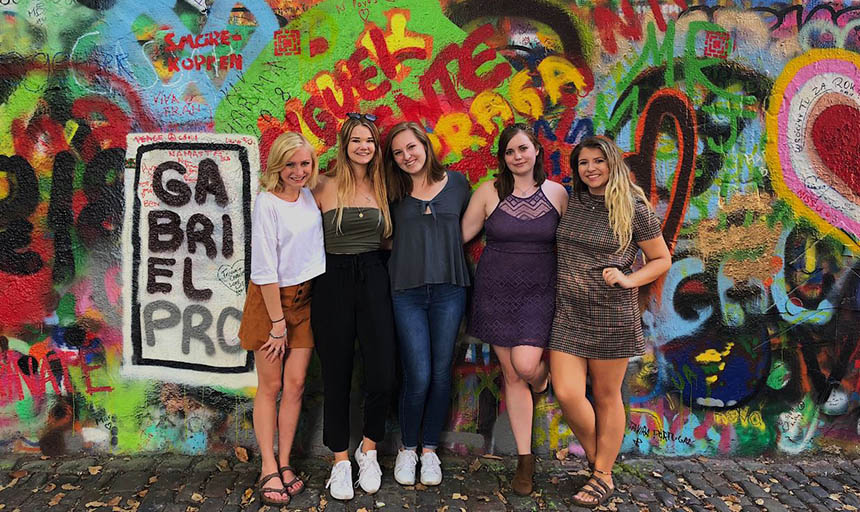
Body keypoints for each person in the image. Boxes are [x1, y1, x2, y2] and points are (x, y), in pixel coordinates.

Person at [549, 136, 671, 508]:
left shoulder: (633, 207)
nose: (590, 169)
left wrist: (629, 279)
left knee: (605, 396)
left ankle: (601, 474)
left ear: (612, 163)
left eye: (597, 161)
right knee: (568, 393)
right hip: (569, 313)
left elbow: (661, 258)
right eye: (583, 163)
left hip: (610, 315)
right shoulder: (577, 201)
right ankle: (601, 462)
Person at [461, 123, 568, 495]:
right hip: (496, 292)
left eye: (523, 149)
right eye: (509, 152)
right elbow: (462, 234)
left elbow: (572, 241)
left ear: (536, 150)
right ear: (503, 158)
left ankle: (542, 379)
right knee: (510, 375)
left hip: (540, 292)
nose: (517, 157)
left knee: (525, 367)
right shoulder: (489, 192)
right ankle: (525, 459)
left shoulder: (557, 193)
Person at [237, 131, 325, 508]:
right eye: (291, 164)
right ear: (277, 165)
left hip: (305, 301)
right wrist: (276, 324)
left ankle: (286, 461)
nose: (299, 171)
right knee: (270, 387)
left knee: (296, 384)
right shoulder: (266, 203)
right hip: (272, 303)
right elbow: (265, 268)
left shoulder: (308, 196)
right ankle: (268, 467)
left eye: (305, 164)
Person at [311, 113, 396, 501]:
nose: (364, 147)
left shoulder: (384, 185)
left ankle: (369, 448)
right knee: (336, 375)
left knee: (382, 373)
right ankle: (340, 460)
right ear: (344, 145)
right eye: (356, 140)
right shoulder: (323, 185)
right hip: (333, 280)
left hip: (375, 276)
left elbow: (393, 240)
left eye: (370, 141)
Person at [384, 122, 471, 487]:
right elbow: (383, 238)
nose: (407, 156)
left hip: (450, 290)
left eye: (411, 147)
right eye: (398, 152)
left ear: (426, 145)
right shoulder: (392, 191)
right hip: (407, 292)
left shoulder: (459, 185)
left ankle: (430, 451)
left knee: (440, 373)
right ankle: (407, 448)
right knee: (417, 374)